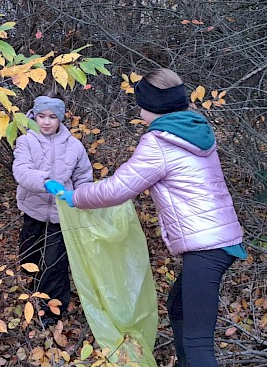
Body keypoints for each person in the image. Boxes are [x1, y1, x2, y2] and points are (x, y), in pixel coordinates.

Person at [46, 69, 246, 367]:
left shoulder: (159, 142)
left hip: (207, 246)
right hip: (219, 240)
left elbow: (118, 189)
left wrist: (74, 197)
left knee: (198, 341)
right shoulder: (195, 130)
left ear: (151, 106)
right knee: (177, 306)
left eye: (140, 103)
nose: (138, 110)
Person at [13, 90, 94, 327]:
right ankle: (34, 291)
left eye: (52, 117)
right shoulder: (26, 141)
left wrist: (81, 198)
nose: (46, 122)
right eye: (41, 116)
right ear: (34, 116)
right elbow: (22, 170)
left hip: (62, 217)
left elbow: (83, 177)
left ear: (60, 118)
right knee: (29, 257)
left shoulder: (74, 146)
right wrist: (45, 181)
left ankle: (52, 312)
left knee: (54, 263)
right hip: (33, 212)